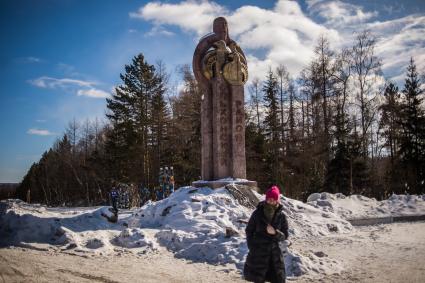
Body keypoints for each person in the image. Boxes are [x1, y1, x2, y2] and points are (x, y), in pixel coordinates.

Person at [244, 185, 289, 283]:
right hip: (259, 253)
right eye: (269, 199)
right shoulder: (257, 213)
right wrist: (251, 246)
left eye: (274, 199)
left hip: (275, 255)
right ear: (266, 199)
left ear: (277, 200)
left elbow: (285, 235)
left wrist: (275, 233)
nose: (271, 201)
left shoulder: (281, 216)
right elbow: (249, 230)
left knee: (277, 279)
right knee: (259, 279)